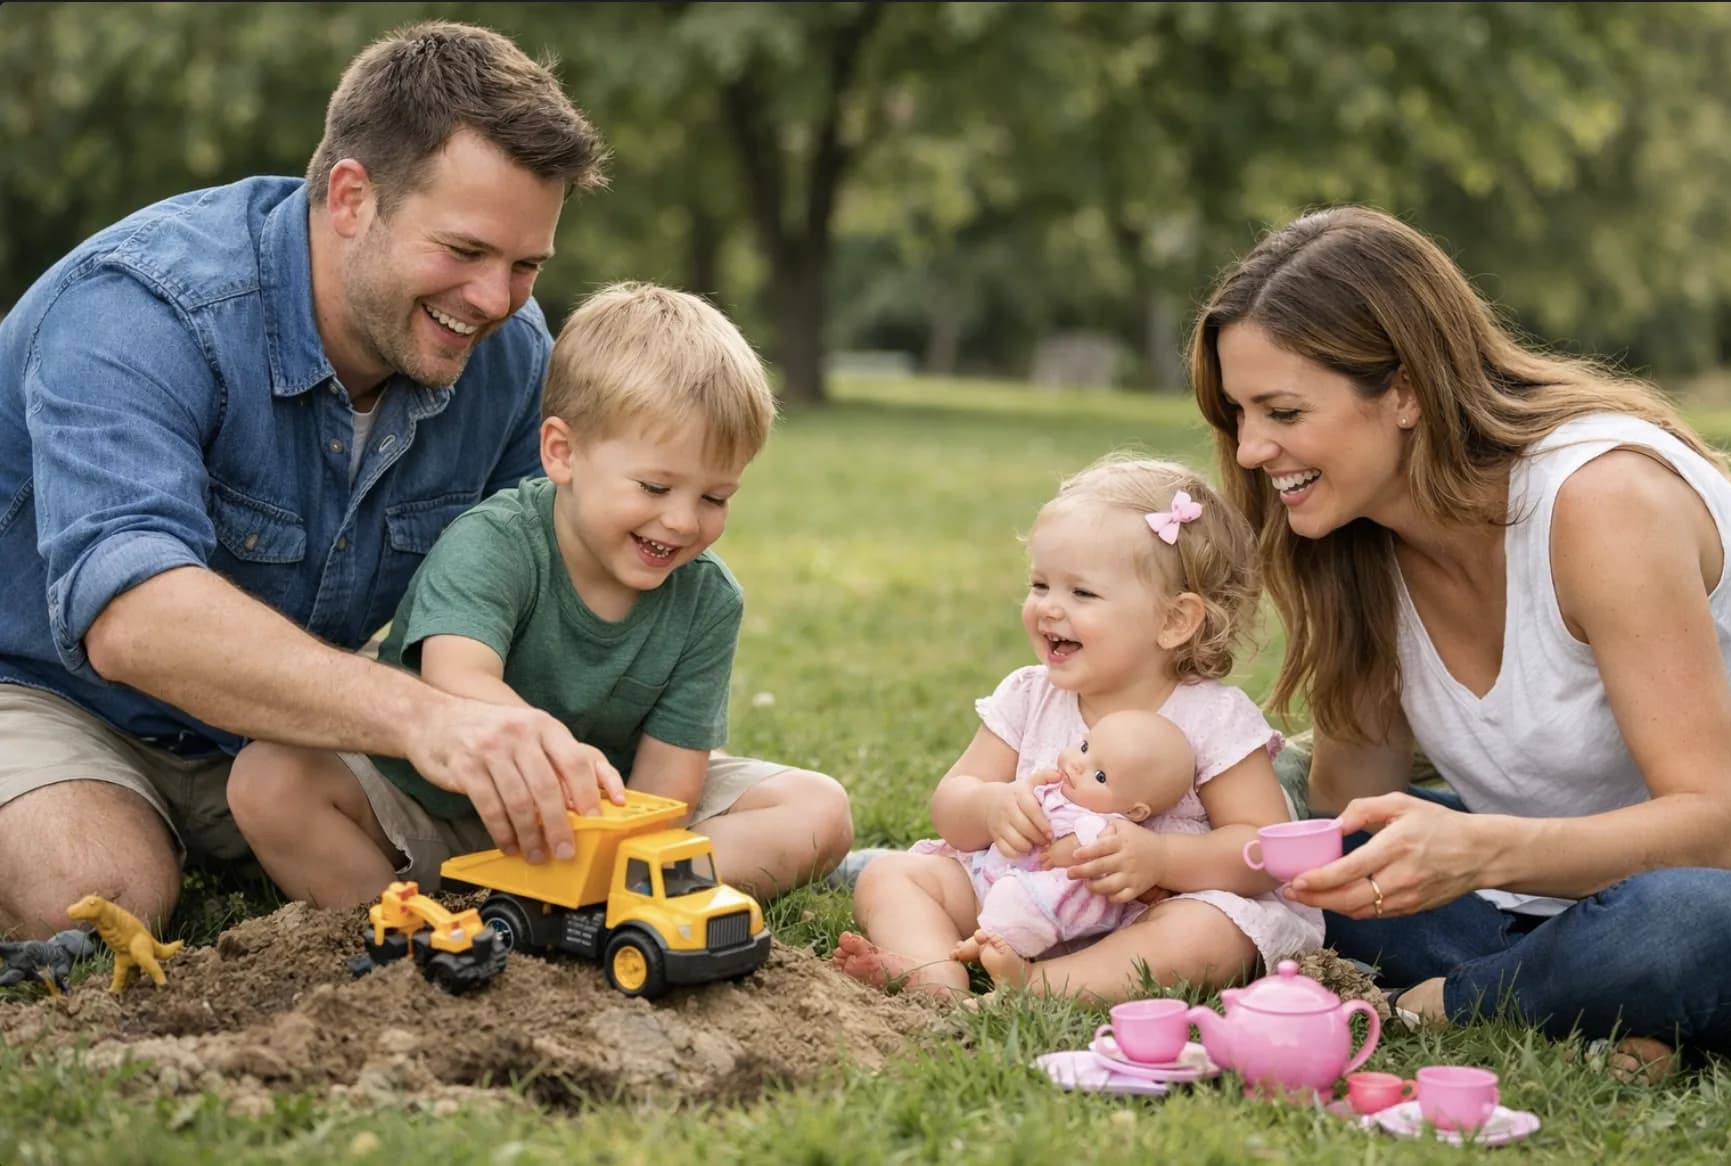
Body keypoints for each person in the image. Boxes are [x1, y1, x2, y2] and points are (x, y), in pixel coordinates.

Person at [0, 20, 615, 940]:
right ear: (352, 198)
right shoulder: (142, 308)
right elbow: (131, 618)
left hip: (278, 730)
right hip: (44, 691)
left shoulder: (511, 357)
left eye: (526, 265)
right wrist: (424, 719)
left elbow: (551, 592)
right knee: (96, 894)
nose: (496, 300)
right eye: (465, 251)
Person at [1191, 204, 1731, 1078]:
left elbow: (1721, 830)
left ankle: (1454, 1001)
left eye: (1283, 411)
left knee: (1680, 929)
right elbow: (1352, 811)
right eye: (1238, 413)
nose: (1253, 449)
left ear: (1405, 391)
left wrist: (1479, 848)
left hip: (1702, 885)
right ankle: (1584, 1002)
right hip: (1525, 898)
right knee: (1303, 851)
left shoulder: (1602, 501)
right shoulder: (1358, 541)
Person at [227, 282, 855, 906]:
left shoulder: (707, 599)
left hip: (602, 827)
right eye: (655, 488)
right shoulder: (495, 542)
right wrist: (553, 759)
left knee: (817, 807)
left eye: (714, 497)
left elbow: (669, 785)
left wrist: (614, 845)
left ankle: (612, 909)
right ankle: (410, 928)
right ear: (562, 453)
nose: (683, 522)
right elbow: (458, 678)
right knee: (269, 781)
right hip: (431, 805)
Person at [833, 455, 1324, 1002]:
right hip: (1012, 892)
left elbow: (1260, 849)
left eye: (1081, 593)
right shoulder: (1030, 695)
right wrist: (991, 807)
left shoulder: (1211, 717)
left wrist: (1162, 859)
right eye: (1040, 584)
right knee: (892, 876)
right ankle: (936, 981)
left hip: (1145, 914)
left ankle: (1043, 985)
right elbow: (952, 803)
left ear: (1174, 620)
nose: (1048, 608)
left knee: (1209, 934)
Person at [936, 709, 1198, 961]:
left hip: (1048, 902)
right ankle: (945, 965)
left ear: (1134, 811)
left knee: (1018, 897)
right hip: (993, 876)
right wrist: (1006, 802)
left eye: (1100, 776)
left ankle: (991, 941)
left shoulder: (1109, 826)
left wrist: (1075, 848)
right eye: (1084, 747)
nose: (1078, 765)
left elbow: (1104, 852)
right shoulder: (1051, 786)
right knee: (916, 875)